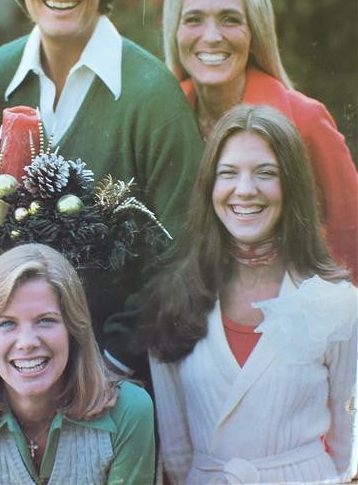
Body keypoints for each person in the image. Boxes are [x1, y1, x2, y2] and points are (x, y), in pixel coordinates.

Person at [0, 0, 202, 374]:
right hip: (5, 370)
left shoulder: (153, 95)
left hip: (118, 377)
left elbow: (186, 255)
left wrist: (115, 361)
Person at [143, 105, 357, 484]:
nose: (244, 189)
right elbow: (175, 450)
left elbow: (348, 445)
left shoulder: (337, 302)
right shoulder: (172, 298)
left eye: (266, 173)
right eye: (228, 173)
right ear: (209, 187)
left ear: (291, 187)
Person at [162, 0, 358, 282]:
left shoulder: (306, 119)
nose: (211, 36)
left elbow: (351, 241)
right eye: (194, 19)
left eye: (230, 20)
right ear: (175, 32)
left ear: (255, 32)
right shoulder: (159, 118)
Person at [0, 243, 155, 485]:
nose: (27, 342)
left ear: (73, 330)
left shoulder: (128, 410)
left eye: (46, 320)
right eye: (7, 323)